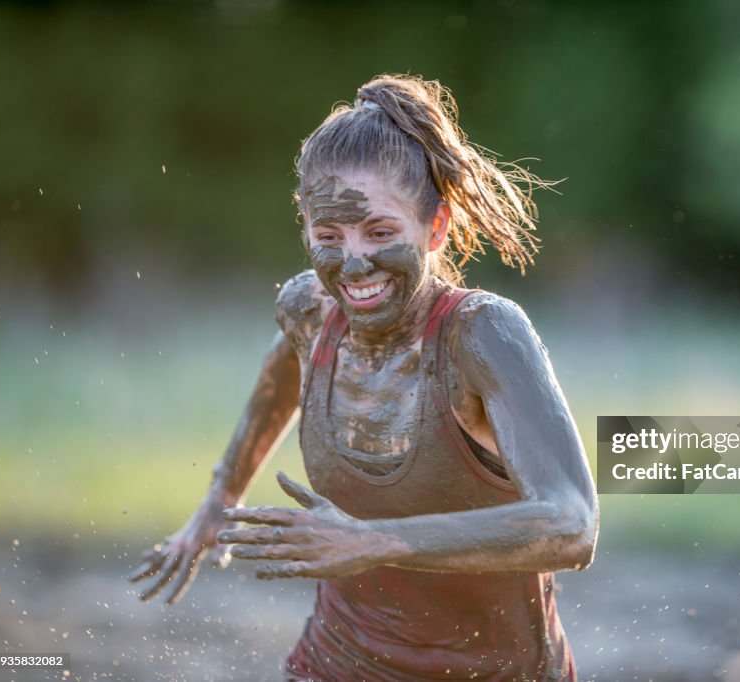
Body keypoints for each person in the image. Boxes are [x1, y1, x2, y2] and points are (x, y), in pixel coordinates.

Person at [128, 74, 598, 681]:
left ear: (436, 229)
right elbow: (283, 368)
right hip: (338, 663)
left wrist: (372, 541)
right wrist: (222, 495)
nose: (352, 263)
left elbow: (571, 525)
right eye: (328, 237)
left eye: (380, 233)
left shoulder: (481, 336)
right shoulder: (308, 313)